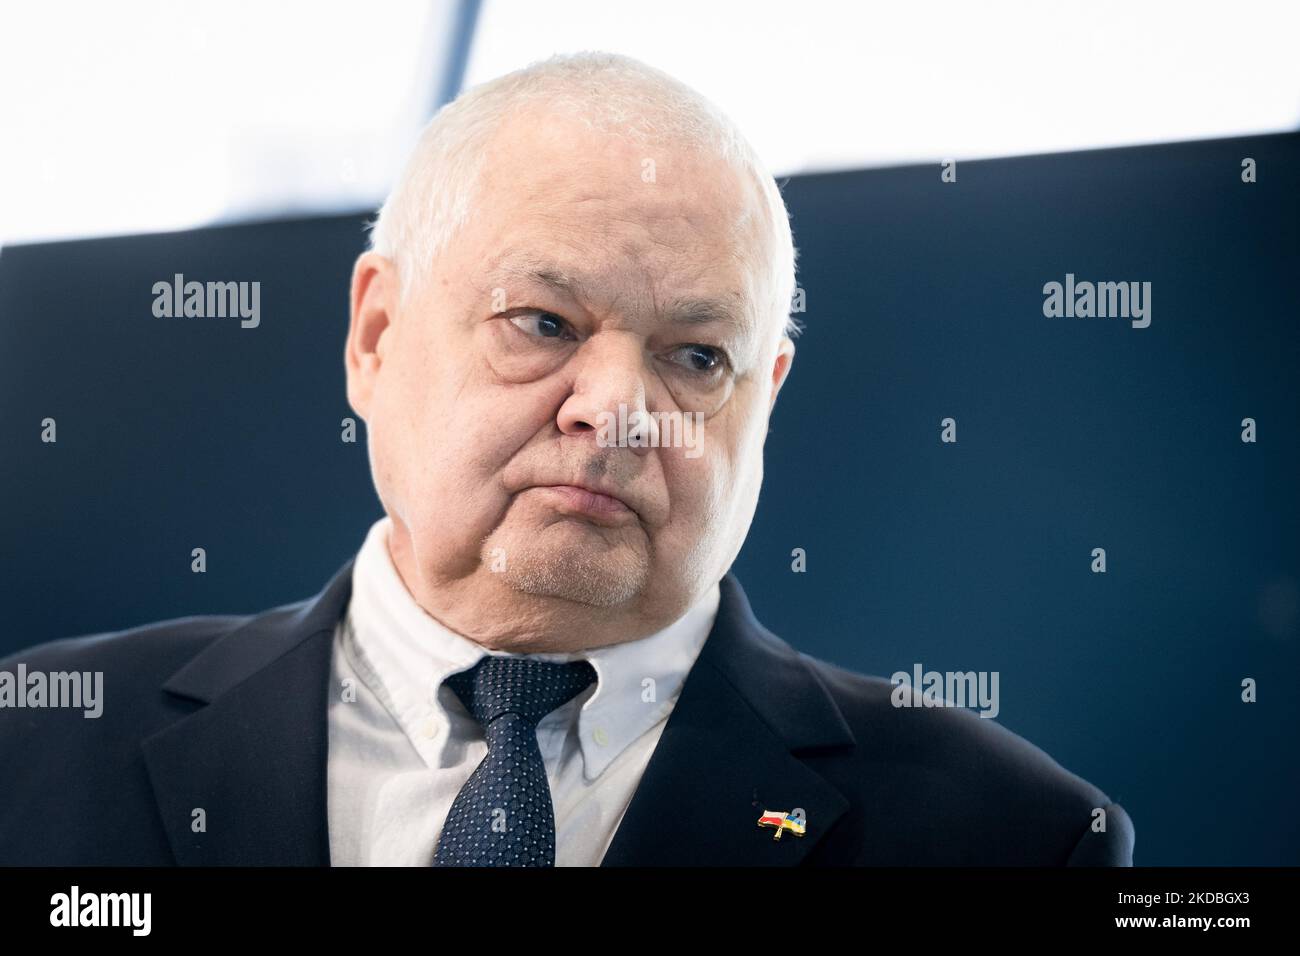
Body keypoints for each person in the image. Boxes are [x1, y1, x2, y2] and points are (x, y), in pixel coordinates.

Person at [0, 51, 1133, 866]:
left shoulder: (1011, 838)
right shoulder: (40, 741)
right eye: (542, 322)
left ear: (763, 400)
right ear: (376, 336)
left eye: (695, 355)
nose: (616, 411)